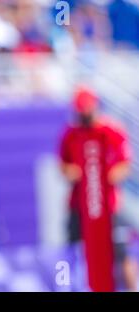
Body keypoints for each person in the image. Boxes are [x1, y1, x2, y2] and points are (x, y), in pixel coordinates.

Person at [59, 85, 137, 291]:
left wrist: (99, 176)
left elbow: (124, 165)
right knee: (72, 250)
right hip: (79, 205)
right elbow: (64, 165)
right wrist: (78, 173)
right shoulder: (71, 134)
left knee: (121, 253)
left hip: (108, 205)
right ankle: (69, 287)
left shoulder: (111, 131)